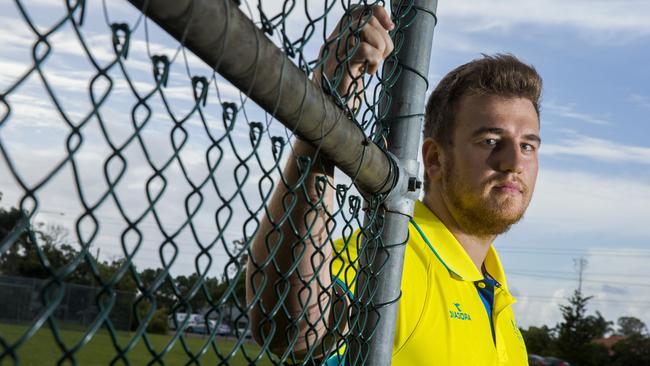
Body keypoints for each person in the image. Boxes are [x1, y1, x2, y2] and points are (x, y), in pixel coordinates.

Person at [247, 5, 541, 365]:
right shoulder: (387, 252)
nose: (514, 163)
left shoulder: (500, 299)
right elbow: (292, 331)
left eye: (527, 145)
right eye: (491, 140)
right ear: (434, 160)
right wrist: (323, 114)